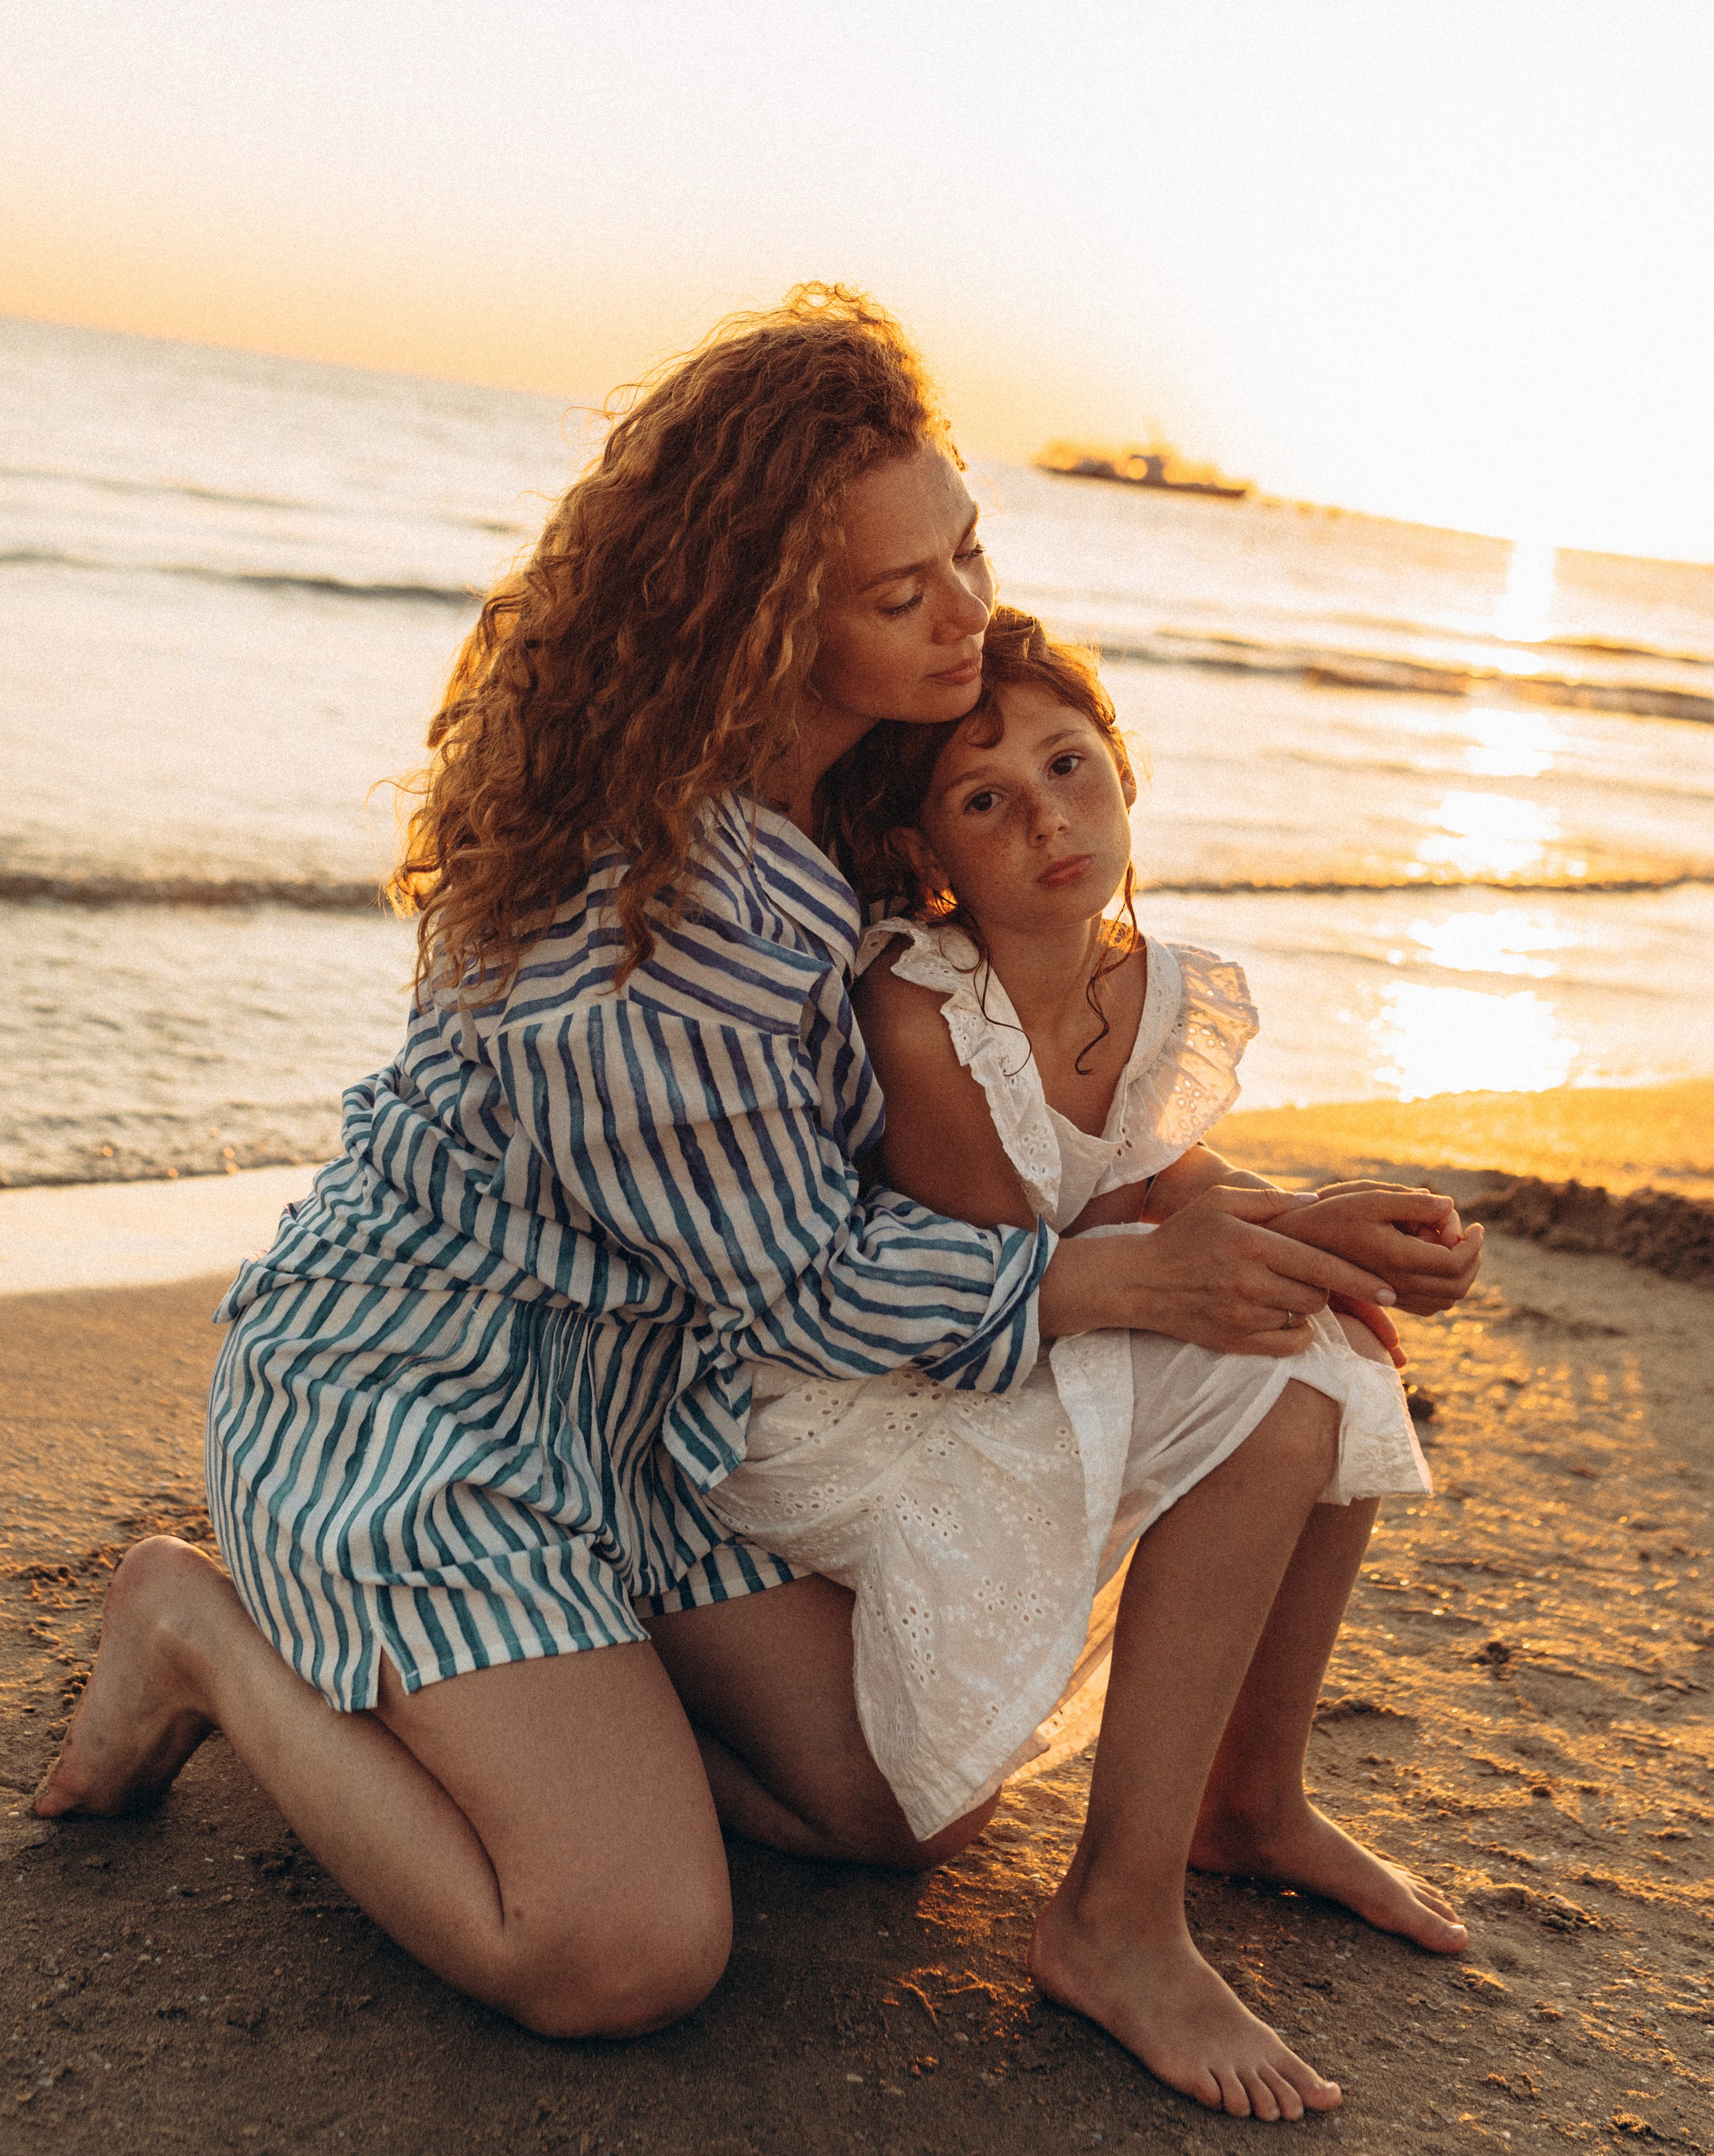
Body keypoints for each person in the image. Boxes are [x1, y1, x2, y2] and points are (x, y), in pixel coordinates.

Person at [34, 287, 1482, 2103]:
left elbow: (1018, 1107)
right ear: (764, 623)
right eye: (904, 597)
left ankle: (554, 1710)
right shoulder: (640, 924)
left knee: (905, 1803)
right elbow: (807, 1280)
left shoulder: (831, 801)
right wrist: (1138, 1283)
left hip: (648, 1425)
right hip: (425, 1412)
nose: (966, 614)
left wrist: (1273, 1225)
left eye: (966, 551)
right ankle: (203, 1632)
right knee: (625, 1950)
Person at [712, 605, 1478, 2114]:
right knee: (1277, 1367)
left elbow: (1138, 1184)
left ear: (1124, 773)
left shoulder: (1159, 986)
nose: (1046, 816)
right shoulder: (920, 1007)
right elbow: (1014, 1274)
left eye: (1070, 766)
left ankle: (1248, 1804)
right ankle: (1112, 1920)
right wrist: (1265, 1255)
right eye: (984, 799)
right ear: (932, 853)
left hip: (1039, 1307)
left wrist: (1330, 1236)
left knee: (1328, 1339)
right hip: (882, 1386)